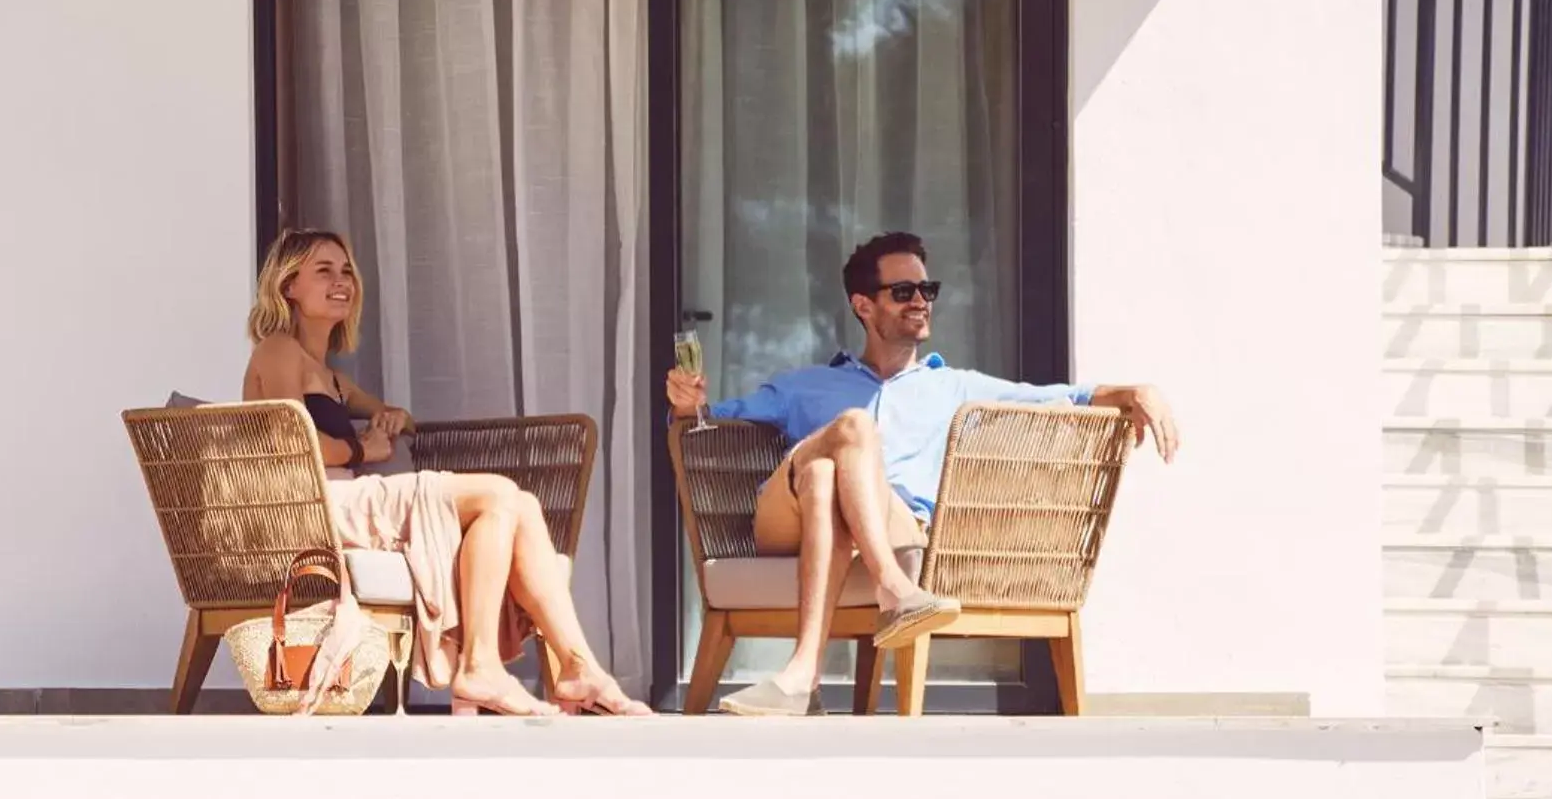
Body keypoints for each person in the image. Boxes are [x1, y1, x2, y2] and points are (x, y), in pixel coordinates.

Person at [665, 231, 1181, 717]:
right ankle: (895, 587)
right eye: (904, 290)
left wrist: (1133, 390)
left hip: (893, 521)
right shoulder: (805, 385)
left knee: (826, 476)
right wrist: (687, 407)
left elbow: (1058, 395)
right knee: (852, 428)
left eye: (926, 289)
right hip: (783, 523)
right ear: (863, 306)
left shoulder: (955, 386)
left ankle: (803, 677)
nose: (921, 301)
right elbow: (709, 424)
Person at [244, 228, 650, 717]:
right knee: (499, 494)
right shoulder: (277, 349)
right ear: (288, 287)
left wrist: (392, 419)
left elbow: (400, 418)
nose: (341, 280)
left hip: (355, 497)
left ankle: (578, 666)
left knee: (521, 504)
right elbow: (289, 442)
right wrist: (358, 448)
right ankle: (481, 668)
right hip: (315, 505)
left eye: (346, 270)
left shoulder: (331, 375)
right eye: (323, 270)